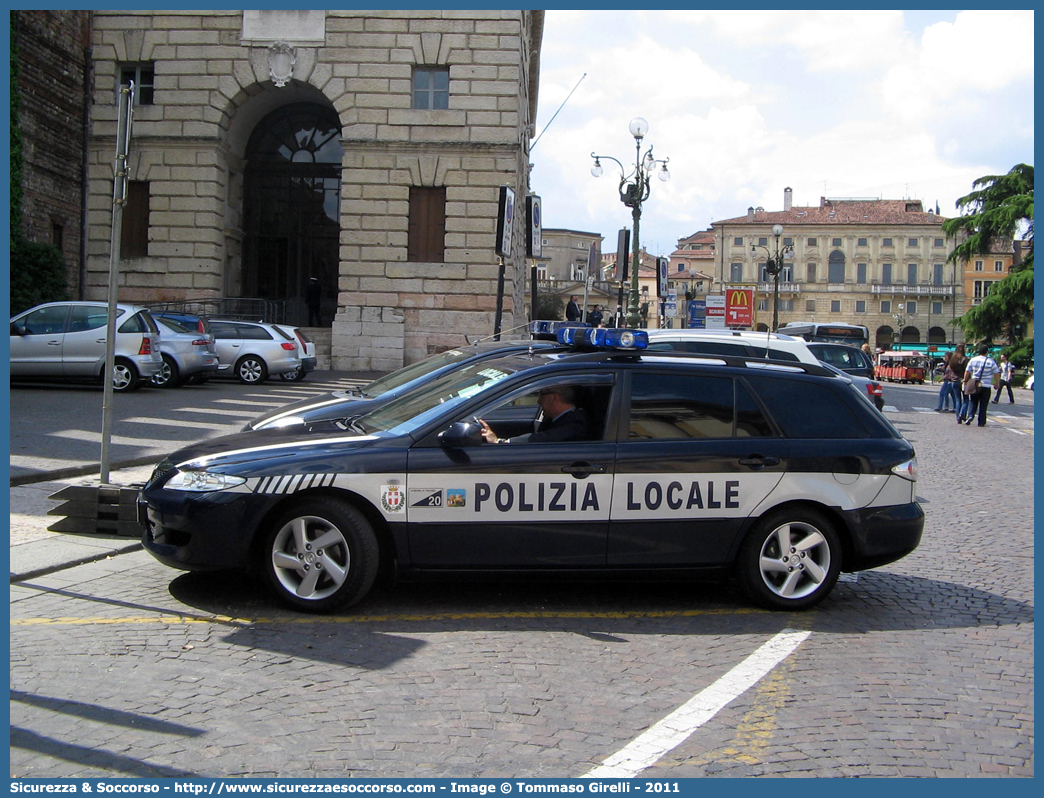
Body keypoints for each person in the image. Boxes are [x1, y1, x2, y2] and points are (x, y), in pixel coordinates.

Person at [479, 385, 589, 444]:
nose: (539, 401)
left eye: (542, 394)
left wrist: (499, 442)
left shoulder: (575, 424)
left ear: (555, 398)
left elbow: (544, 438)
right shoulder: (560, 419)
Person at [961, 345, 1000, 427]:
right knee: (983, 404)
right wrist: (997, 383)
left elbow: (967, 371)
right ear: (987, 352)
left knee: (973, 401)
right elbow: (996, 372)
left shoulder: (973, 360)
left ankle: (970, 416)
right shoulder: (991, 361)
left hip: (974, 384)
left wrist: (965, 381)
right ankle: (981, 421)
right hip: (986, 385)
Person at [950, 343, 970, 422]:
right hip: (962, 380)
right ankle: (962, 414)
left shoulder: (953, 358)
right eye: (965, 347)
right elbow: (967, 371)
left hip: (954, 380)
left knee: (958, 399)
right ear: (962, 349)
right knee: (966, 399)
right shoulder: (965, 359)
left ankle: (958, 417)